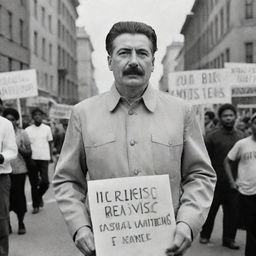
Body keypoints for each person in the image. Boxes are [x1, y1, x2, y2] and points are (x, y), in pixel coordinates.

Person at [53, 21, 216, 256]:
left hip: (166, 247)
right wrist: (80, 227)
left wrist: (188, 223)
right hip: (105, 247)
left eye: (142, 53)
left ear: (152, 62)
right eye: (123, 53)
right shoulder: (83, 113)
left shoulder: (181, 111)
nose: (133, 61)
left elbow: (200, 174)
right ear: (110, 61)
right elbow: (67, 180)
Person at [200, 103, 244, 249]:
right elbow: (204, 159)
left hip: (234, 183)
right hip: (215, 183)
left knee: (232, 214)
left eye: (231, 115)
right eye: (225, 116)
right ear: (220, 118)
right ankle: (205, 235)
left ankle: (229, 239)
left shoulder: (242, 137)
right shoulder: (212, 137)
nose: (228, 118)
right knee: (210, 212)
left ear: (235, 117)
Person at [224, 113, 256, 256]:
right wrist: (232, 181)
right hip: (246, 192)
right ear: (251, 125)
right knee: (252, 227)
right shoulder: (242, 144)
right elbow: (227, 161)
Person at [3, 108, 31, 235]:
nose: (10, 121)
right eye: (8, 119)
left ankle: (21, 222)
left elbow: (29, 152)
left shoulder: (22, 133)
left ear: (16, 121)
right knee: (5, 200)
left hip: (19, 170)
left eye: (12, 119)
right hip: (4, 171)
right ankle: (7, 224)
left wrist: (19, 148)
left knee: (19, 197)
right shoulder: (2, 131)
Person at [25, 108, 53, 214]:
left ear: (42, 116)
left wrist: (50, 156)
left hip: (44, 158)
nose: (37, 116)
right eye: (35, 115)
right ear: (32, 117)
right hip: (32, 159)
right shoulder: (27, 130)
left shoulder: (47, 128)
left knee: (45, 182)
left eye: (39, 114)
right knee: (34, 183)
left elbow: (50, 143)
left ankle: (39, 196)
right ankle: (35, 205)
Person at [0, 100, 18, 255]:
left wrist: (1, 157)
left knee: (1, 220)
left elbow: (12, 150)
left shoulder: (5, 124)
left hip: (1, 177)